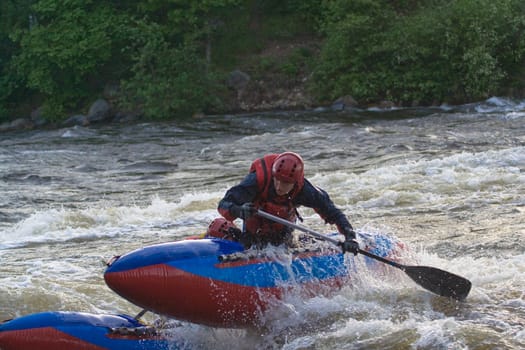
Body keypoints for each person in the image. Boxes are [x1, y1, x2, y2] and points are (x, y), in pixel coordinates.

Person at [216, 152, 359, 254]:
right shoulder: (257, 181)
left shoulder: (306, 191)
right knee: (218, 226)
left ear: (295, 182)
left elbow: (334, 213)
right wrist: (239, 211)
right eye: (277, 179)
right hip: (252, 235)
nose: (279, 186)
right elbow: (224, 204)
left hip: (284, 237)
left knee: (286, 241)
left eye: (285, 183)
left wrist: (350, 238)